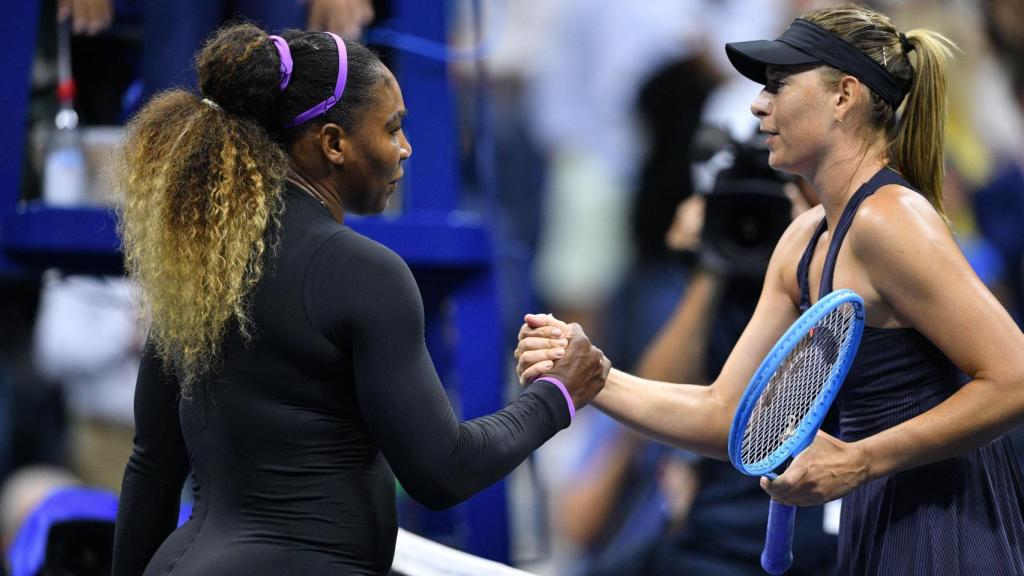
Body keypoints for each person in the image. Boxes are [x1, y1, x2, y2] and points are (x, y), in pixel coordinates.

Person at [517, 4, 1024, 574]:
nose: (759, 103)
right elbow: (727, 413)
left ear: (844, 96)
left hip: (945, 533)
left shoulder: (892, 220)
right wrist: (595, 378)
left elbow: (1015, 379)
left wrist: (860, 460)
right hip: (870, 522)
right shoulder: (804, 239)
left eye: (779, 85)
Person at [111, 23, 608, 576]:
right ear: (333, 143)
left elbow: (152, 468)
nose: (405, 149)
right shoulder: (365, 272)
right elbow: (442, 470)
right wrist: (557, 395)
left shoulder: (201, 266)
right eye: (392, 129)